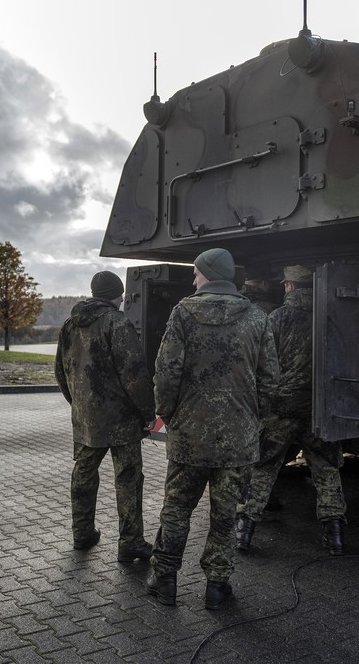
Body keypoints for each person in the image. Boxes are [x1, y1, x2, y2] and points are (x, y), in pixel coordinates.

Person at [148, 248, 278, 610]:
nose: (192, 279)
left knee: (176, 509)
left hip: (189, 435)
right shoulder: (257, 318)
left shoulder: (183, 314)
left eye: (195, 272)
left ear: (207, 273)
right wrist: (254, 420)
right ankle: (217, 588)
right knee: (224, 516)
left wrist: (169, 416)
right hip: (238, 439)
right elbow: (270, 380)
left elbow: (166, 373)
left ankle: (165, 580)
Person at [236, 265, 347, 555]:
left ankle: (245, 531)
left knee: (263, 468)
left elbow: (263, 364)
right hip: (319, 411)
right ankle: (334, 535)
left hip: (280, 409)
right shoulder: (330, 318)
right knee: (326, 470)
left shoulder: (277, 318)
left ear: (289, 287)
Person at [55, 271, 156, 561]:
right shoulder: (117, 323)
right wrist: (147, 413)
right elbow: (134, 374)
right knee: (128, 478)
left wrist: (78, 404)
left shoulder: (69, 325)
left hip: (86, 420)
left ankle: (82, 534)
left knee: (84, 475)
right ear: (118, 294)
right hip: (122, 421)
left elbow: (61, 371)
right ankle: (131, 542)